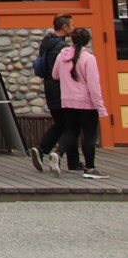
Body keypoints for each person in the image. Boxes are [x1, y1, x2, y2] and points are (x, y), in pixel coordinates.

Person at [51, 27, 109, 179]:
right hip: (86, 102)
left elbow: (54, 75)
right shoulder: (89, 58)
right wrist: (100, 106)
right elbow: (94, 85)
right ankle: (90, 168)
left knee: (71, 132)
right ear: (87, 41)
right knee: (89, 135)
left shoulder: (62, 55)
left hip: (67, 101)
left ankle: (58, 153)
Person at [30, 14, 81, 174]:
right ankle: (58, 155)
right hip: (60, 90)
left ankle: (43, 150)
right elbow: (62, 72)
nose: (73, 28)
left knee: (61, 124)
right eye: (71, 25)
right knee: (70, 125)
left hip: (49, 88)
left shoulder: (47, 42)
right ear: (64, 27)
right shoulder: (61, 48)